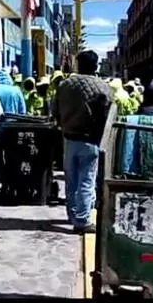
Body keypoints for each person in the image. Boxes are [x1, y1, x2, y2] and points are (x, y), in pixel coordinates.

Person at [53, 50, 113, 234]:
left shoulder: (64, 85)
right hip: (91, 141)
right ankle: (82, 220)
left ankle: (72, 214)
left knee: (71, 180)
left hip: (69, 139)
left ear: (78, 65)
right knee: (87, 180)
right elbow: (108, 116)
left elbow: (54, 110)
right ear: (96, 66)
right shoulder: (103, 87)